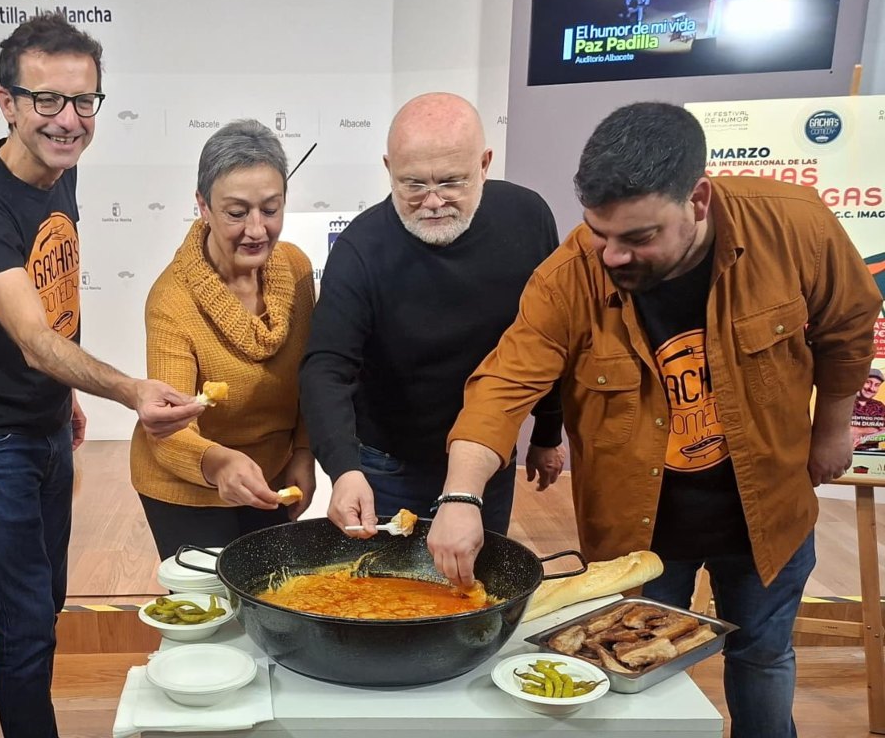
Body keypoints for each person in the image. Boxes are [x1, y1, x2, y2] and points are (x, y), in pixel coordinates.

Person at [440, 102, 880, 738]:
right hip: (638, 531)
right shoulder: (569, 276)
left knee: (762, 655)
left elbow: (848, 327)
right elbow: (503, 384)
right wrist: (461, 495)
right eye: (599, 232)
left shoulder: (795, 228)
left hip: (768, 510)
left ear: (698, 199)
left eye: (638, 237)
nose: (612, 256)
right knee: (635, 681)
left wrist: (833, 428)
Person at [0, 12, 204, 737]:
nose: (68, 119)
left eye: (85, 101)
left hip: (45, 425)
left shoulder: (60, 171)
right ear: (6, 103)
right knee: (25, 629)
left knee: (43, 606)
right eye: (47, 99)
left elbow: (55, 306)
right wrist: (130, 392)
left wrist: (64, 398)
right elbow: (31, 338)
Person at [300, 92, 564, 540]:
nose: (434, 202)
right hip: (388, 465)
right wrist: (343, 470)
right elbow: (325, 367)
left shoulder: (528, 217)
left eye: (452, 182)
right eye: (413, 184)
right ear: (388, 169)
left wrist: (547, 433)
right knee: (389, 600)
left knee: (475, 589)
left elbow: (549, 336)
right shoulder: (360, 250)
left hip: (488, 458)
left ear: (484, 163)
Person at [131, 120, 315, 559]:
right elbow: (168, 426)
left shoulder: (297, 267)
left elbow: (313, 375)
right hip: (185, 486)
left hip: (270, 475)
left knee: (271, 603)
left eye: (270, 210)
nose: (256, 230)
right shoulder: (172, 300)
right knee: (211, 611)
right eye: (237, 213)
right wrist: (218, 462)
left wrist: (305, 453)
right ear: (203, 206)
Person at [851, 368, 885, 449]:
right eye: (868, 382)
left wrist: (864, 439)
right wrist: (875, 430)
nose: (872, 388)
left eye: (877, 385)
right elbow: (839, 432)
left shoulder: (879, 406)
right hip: (843, 454)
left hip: (870, 455)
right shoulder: (844, 403)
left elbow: (884, 435)